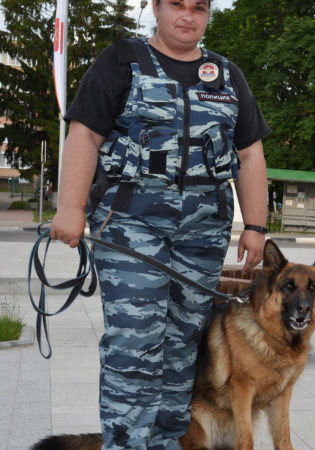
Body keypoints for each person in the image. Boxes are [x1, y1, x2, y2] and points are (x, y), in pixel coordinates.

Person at [49, 0, 269, 448]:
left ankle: (169, 443)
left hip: (203, 237)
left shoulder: (226, 76)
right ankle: (127, 443)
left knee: (183, 349)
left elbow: (250, 153)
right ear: (155, 7)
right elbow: (84, 134)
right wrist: (70, 207)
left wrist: (256, 226)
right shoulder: (121, 62)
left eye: (199, 8)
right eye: (177, 5)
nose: (187, 16)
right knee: (135, 347)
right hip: (132, 227)